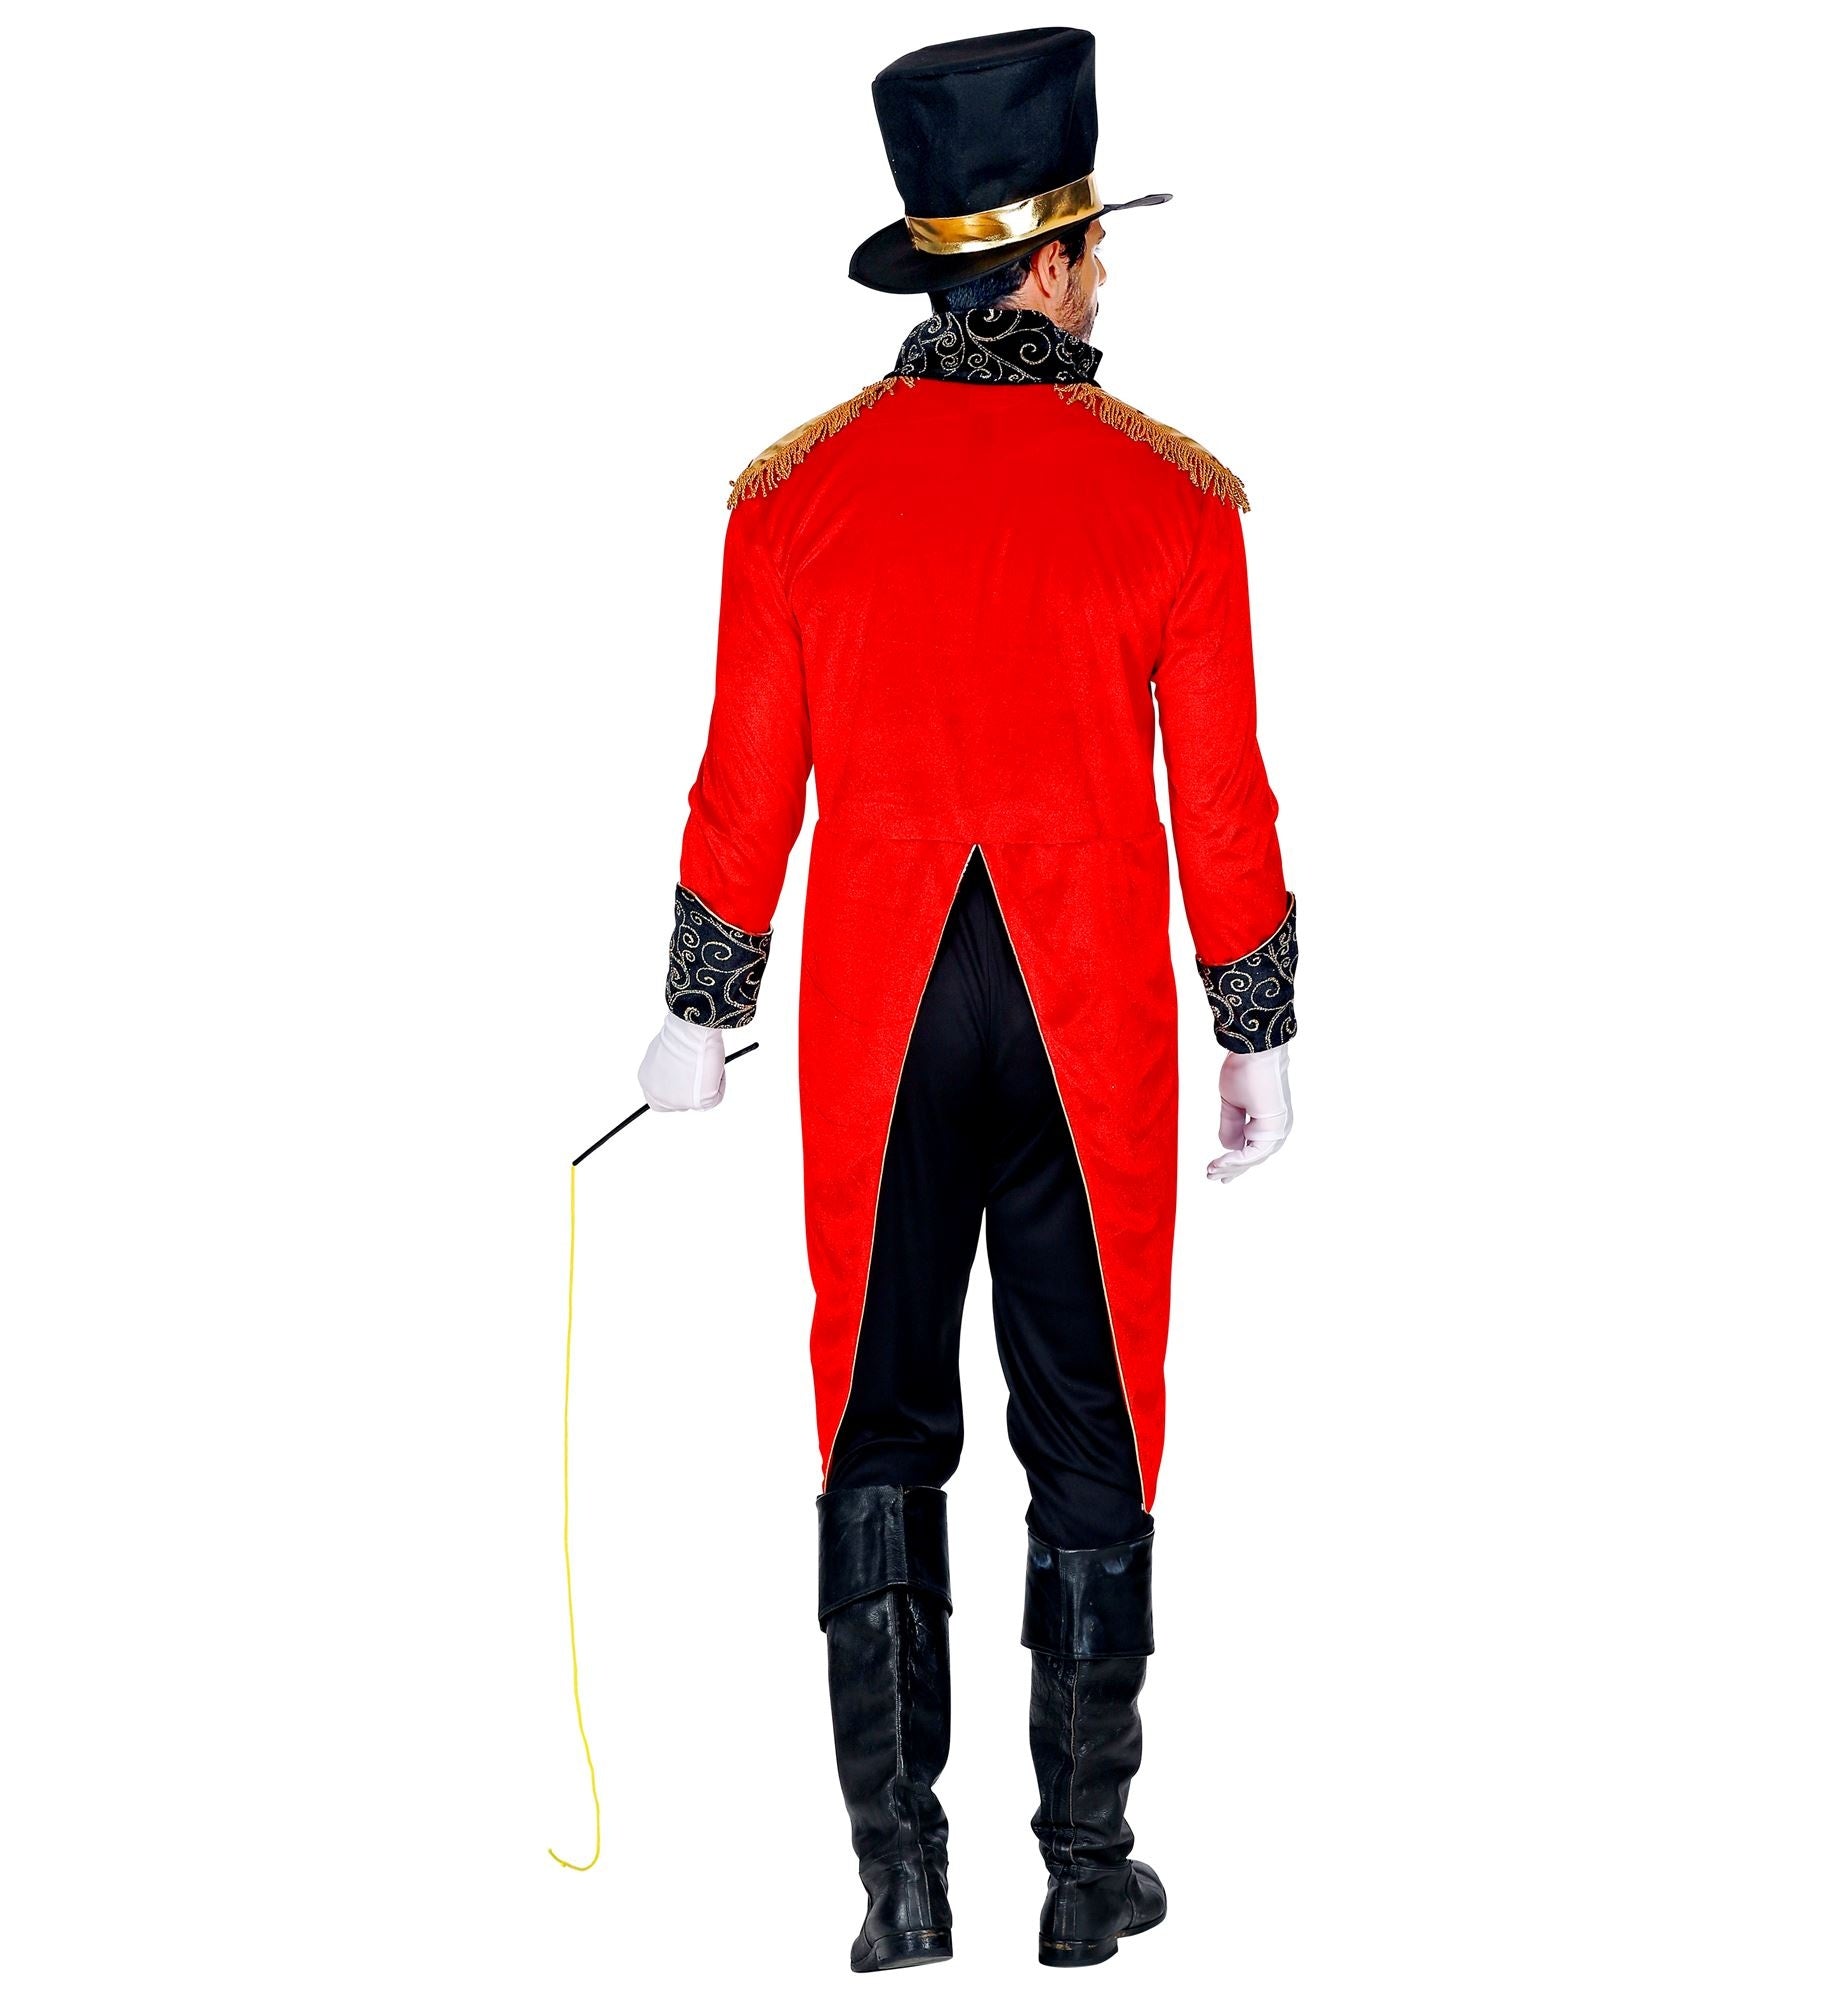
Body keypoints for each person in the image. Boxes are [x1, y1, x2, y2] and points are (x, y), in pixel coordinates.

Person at [636, 26, 1297, 1974]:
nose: (1106, 278)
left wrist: (700, 1007)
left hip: (886, 1028)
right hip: (1084, 1024)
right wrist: (1253, 1027)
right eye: (1095, 248)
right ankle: (1086, 1875)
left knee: (879, 1413)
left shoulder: (795, 497)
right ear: (1047, 259)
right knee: (1090, 1425)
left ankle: (899, 1885)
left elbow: (742, 785)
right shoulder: (1174, 500)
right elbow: (1226, 800)